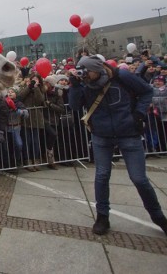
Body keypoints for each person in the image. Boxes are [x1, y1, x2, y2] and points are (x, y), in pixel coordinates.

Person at [68, 55, 167, 236]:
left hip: (128, 133)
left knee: (139, 178)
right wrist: (74, 85)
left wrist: (138, 114)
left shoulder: (121, 76)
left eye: (86, 71)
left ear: (97, 69)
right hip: (101, 135)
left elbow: (146, 91)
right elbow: (75, 106)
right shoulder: (84, 84)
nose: (84, 75)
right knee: (102, 175)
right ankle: (102, 216)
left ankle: (158, 216)